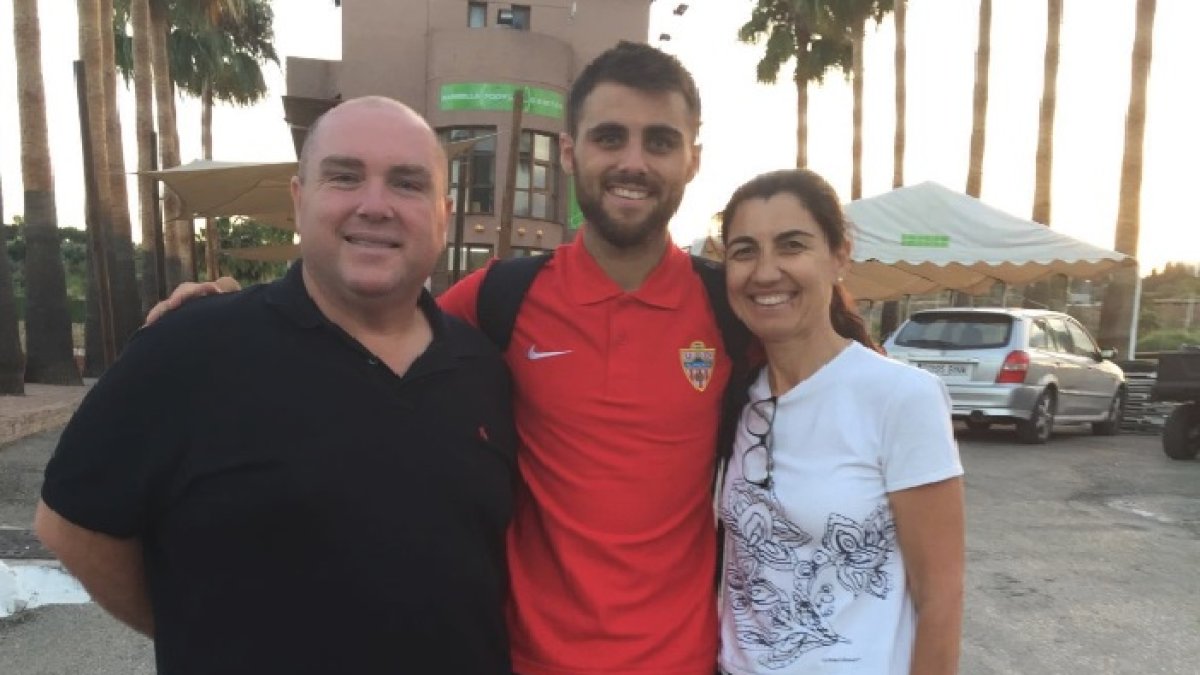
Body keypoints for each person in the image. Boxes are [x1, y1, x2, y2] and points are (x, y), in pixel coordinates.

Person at [36, 97, 518, 674]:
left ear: (442, 213)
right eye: (344, 177)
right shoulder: (191, 348)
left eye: (407, 184)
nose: (375, 205)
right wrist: (195, 627)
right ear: (299, 199)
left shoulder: (485, 370)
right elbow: (71, 526)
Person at [716, 169, 965, 674]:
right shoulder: (735, 398)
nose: (765, 272)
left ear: (839, 256)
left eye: (791, 245)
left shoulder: (901, 397)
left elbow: (941, 600)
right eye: (744, 251)